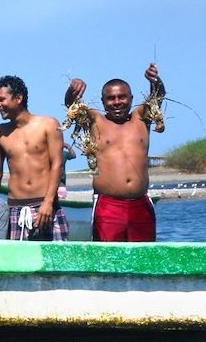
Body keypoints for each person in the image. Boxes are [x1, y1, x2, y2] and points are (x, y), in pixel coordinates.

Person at [64, 63, 165, 241]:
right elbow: (71, 106)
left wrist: (155, 80)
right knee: (107, 260)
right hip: (108, 205)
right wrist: (73, 89)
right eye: (111, 98)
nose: (117, 102)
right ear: (103, 102)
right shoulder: (96, 121)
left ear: (131, 98)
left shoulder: (141, 118)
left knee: (144, 260)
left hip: (141, 204)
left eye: (122, 97)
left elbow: (158, 97)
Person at [0, 75, 69, 241]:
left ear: (18, 98)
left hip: (45, 206)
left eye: (1, 99)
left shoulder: (49, 124)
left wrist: (48, 203)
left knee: (55, 262)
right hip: (14, 208)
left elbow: (57, 164)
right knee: (17, 265)